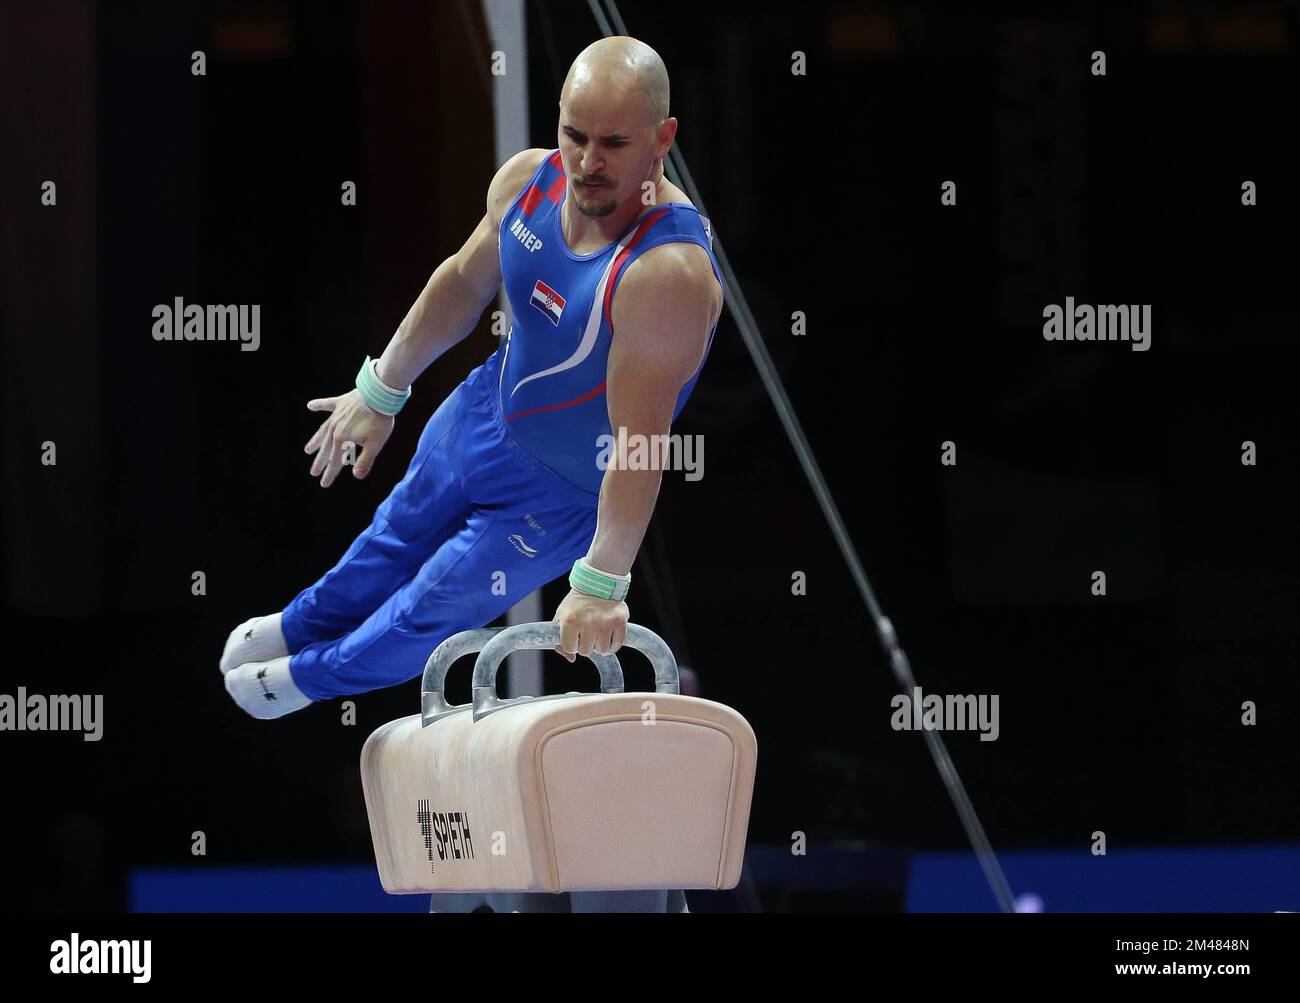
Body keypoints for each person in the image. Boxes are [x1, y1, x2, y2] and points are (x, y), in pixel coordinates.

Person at [219, 35, 723, 722]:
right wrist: (382, 387)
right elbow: (461, 283)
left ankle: (310, 676)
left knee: (430, 605)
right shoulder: (528, 181)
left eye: (613, 143)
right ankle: (301, 623)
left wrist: (603, 579)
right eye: (574, 135)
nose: (587, 162)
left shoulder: (667, 275)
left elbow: (641, 442)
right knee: (388, 536)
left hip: (560, 494)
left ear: (664, 137)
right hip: (483, 409)